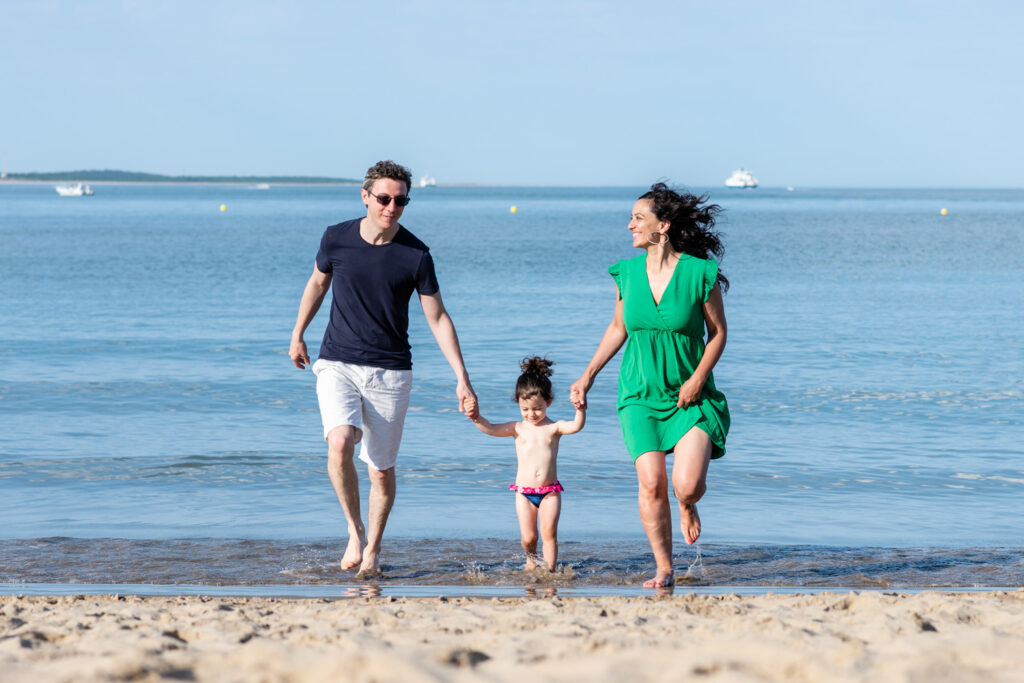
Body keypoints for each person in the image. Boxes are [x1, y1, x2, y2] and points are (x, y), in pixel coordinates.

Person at [289, 160, 478, 577]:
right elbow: (317, 284)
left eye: (400, 200)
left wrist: (462, 377)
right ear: (365, 196)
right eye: (384, 198)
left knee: (380, 469)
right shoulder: (335, 238)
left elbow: (438, 317)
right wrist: (298, 332)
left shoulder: (415, 254)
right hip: (337, 359)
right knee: (340, 441)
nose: (392, 207)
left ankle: (372, 547)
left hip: (391, 372)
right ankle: (354, 530)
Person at [569, 182, 730, 589]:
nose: (629, 226)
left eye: (638, 218)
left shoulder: (699, 274)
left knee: (687, 485)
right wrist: (587, 375)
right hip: (639, 394)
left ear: (664, 226)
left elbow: (719, 334)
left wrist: (696, 380)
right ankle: (664, 568)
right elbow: (618, 327)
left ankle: (687, 505)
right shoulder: (626, 274)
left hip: (688, 393)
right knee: (651, 482)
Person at [465, 357, 585, 572]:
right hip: (523, 492)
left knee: (549, 533)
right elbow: (491, 428)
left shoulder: (554, 428)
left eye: (537, 408)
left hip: (550, 492)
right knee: (529, 537)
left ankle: (550, 571)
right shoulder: (517, 428)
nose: (531, 414)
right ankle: (531, 559)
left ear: (548, 402)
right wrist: (476, 418)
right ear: (519, 404)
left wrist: (580, 409)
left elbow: (576, 426)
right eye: (525, 409)